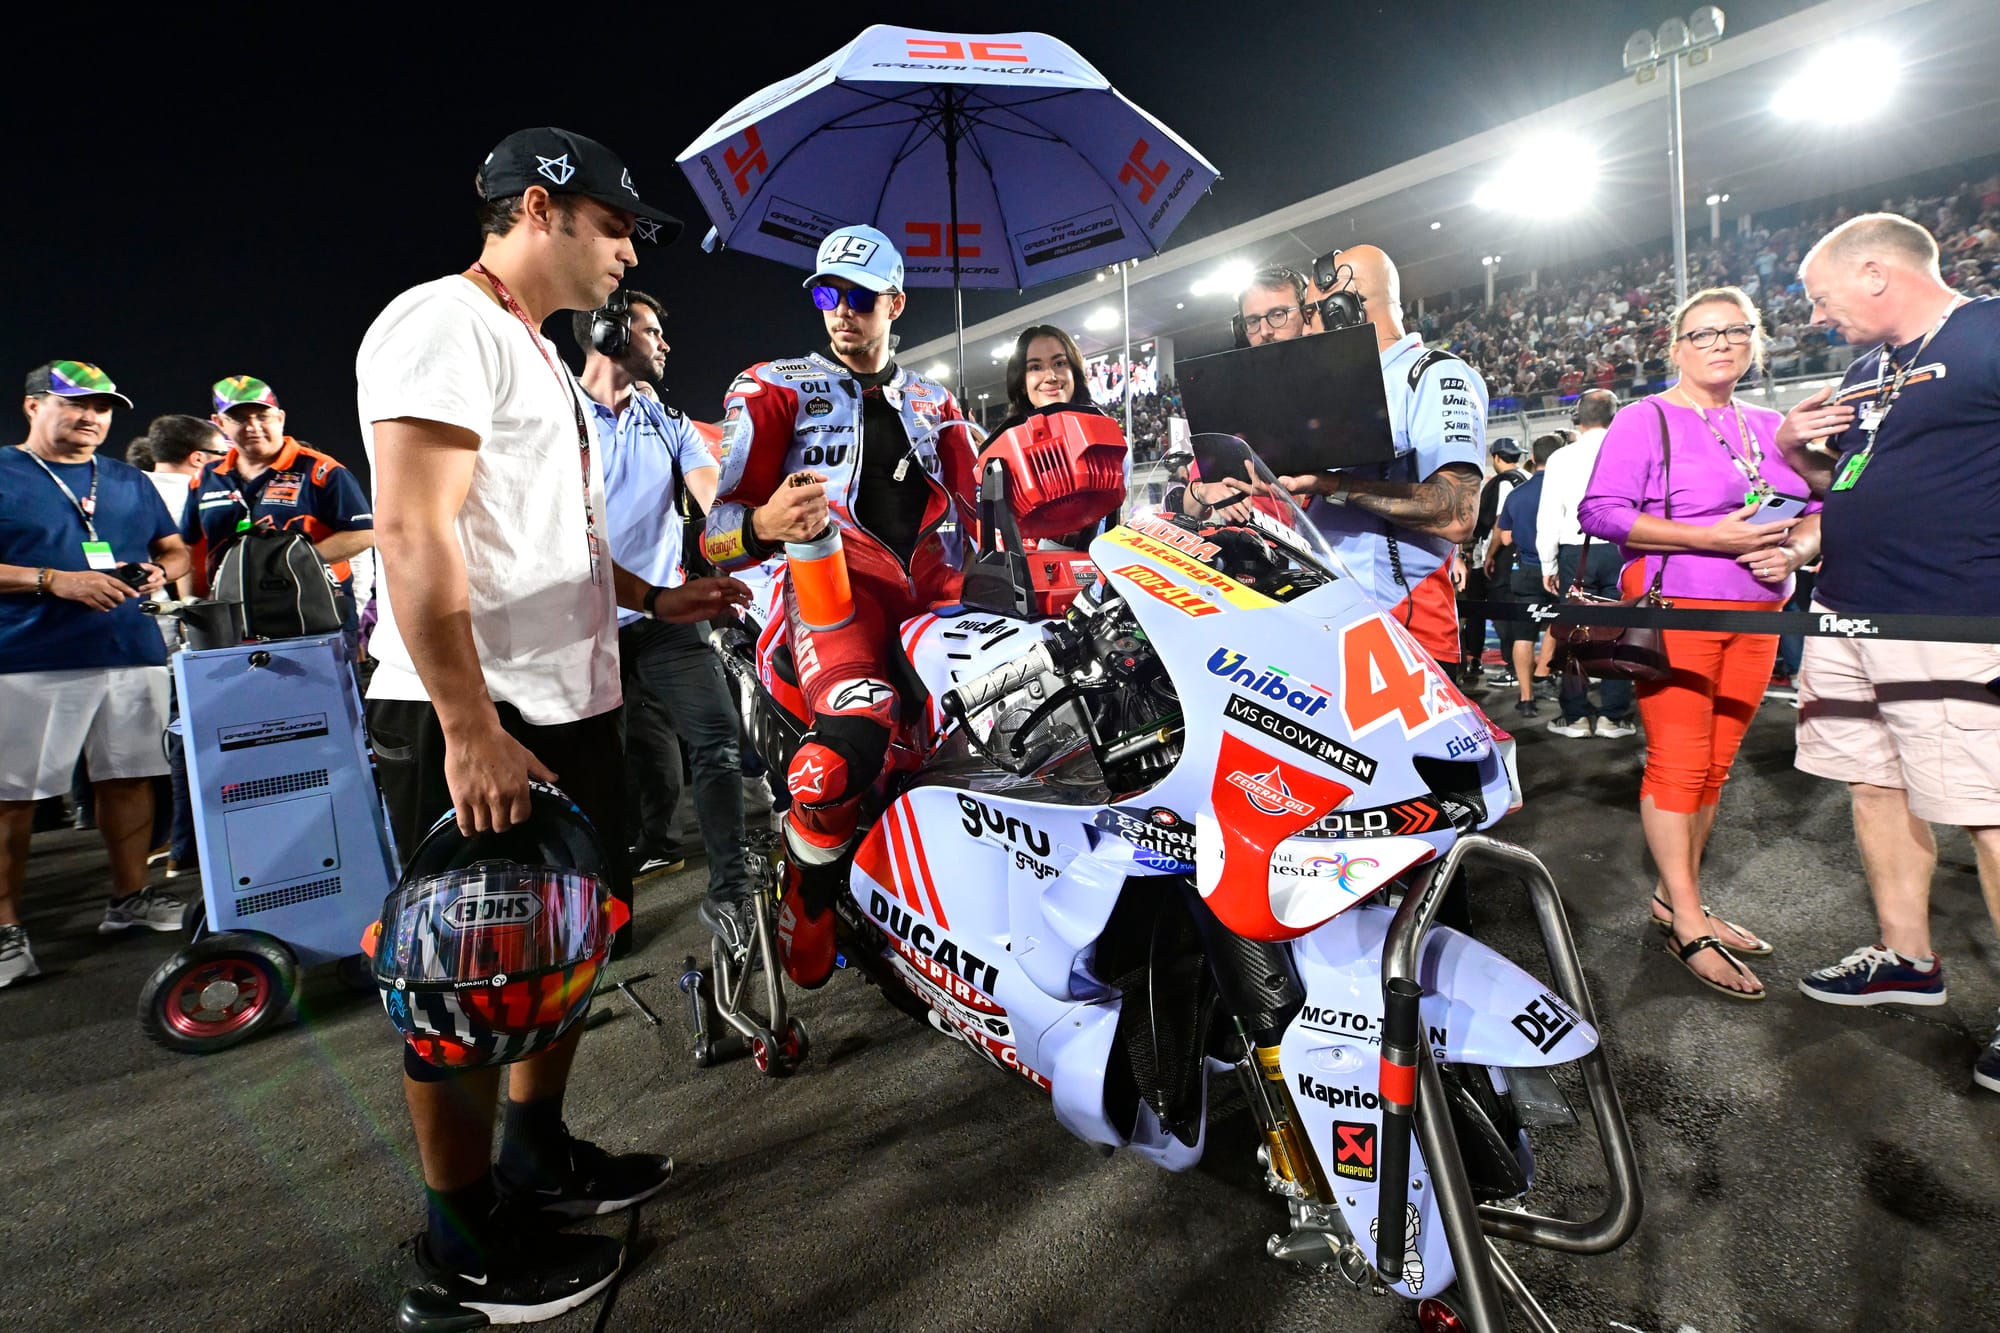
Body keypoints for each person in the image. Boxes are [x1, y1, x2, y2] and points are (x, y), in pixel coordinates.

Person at [355, 126, 740, 1327]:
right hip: (482, 708)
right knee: (464, 970)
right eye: (616, 224)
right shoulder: (443, 322)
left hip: (570, 701)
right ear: (540, 208)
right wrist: (467, 725)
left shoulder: (534, 351)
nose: (629, 251)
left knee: (560, 948)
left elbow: (546, 533)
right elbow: (413, 530)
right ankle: (459, 1246)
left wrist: (652, 599)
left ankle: (533, 1154)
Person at [702, 224, 980, 989]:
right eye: (828, 293)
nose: (841, 310)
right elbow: (714, 538)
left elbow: (981, 524)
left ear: (896, 303)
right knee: (842, 750)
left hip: (936, 601)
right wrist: (764, 523)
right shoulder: (774, 387)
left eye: (859, 296)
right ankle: (807, 893)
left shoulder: (937, 399)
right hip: (831, 597)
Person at [1773, 213, 2000, 1090]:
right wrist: (1795, 456)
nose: (1817, 317)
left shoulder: (1986, 333)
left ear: (1874, 272)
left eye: (1821, 297)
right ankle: (1907, 956)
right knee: (1873, 784)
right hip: (1847, 611)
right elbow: (1850, 486)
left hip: (1953, 615)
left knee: (1988, 807)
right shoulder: (1870, 367)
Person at [1578, 285, 1822, 1001]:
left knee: (1716, 766)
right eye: (1703, 333)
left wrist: (1795, 552)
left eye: (1735, 330)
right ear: (1677, 348)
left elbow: (1822, 506)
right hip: (1679, 611)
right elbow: (1601, 512)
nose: (1720, 343)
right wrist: (1709, 538)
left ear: (1755, 342)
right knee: (1681, 763)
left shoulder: (1774, 425)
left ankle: (1673, 897)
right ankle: (1687, 919)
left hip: (1761, 614)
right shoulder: (1645, 417)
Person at [1, 361, 194, 990]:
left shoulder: (126, 479)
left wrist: (161, 572)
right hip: (29, 655)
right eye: (76, 403)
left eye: (103, 407)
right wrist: (53, 580)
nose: (91, 417)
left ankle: (129, 898)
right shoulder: (4, 471)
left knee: (129, 779)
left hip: (129, 647)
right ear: (33, 406)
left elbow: (174, 548)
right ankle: (5, 929)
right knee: (13, 798)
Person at [572, 288, 755, 949]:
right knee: (597, 772)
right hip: (581, 625)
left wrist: (758, 532)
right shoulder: (557, 414)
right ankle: (602, 918)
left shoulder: (669, 421)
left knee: (717, 739)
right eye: (652, 330)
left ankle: (731, 888)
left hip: (665, 616)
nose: (665, 343)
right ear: (608, 333)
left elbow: (714, 504)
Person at [1272, 245, 1484, 667]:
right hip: (1328, 625)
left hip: (1403, 627)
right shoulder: (1330, 390)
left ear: (1341, 310)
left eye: (1311, 313)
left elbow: (1457, 514)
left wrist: (1333, 484)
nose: (1304, 329)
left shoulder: (1434, 373)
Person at [182, 377, 375, 625]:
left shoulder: (322, 470)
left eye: (263, 416)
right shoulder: (204, 478)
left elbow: (363, 534)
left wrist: (293, 561)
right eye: (239, 418)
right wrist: (191, 604)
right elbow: (190, 547)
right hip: (232, 616)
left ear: (280, 418)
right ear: (219, 423)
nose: (253, 427)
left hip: (313, 610)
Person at [1542, 387, 1642, 741]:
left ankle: (1577, 716)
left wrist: (1548, 564)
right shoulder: (1631, 451)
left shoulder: (1561, 458)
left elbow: (1549, 515)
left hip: (1575, 551)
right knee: (1619, 634)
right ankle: (1613, 717)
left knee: (1574, 636)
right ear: (1615, 416)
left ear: (1577, 418)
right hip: (1622, 548)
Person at [1487, 433, 1564, 719]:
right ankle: (1544, 673)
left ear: (1533, 457)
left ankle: (1526, 697)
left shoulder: (1517, 494)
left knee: (1523, 634)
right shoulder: (1564, 489)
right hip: (1557, 570)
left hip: (1525, 569)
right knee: (1558, 623)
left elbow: (1506, 537)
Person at [1464, 438, 1527, 686]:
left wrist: (1489, 553)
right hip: (1522, 556)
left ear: (1496, 458)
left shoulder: (1503, 482)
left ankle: (1505, 666)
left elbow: (1501, 522)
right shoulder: (1527, 478)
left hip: (1498, 558)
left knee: (1493, 612)